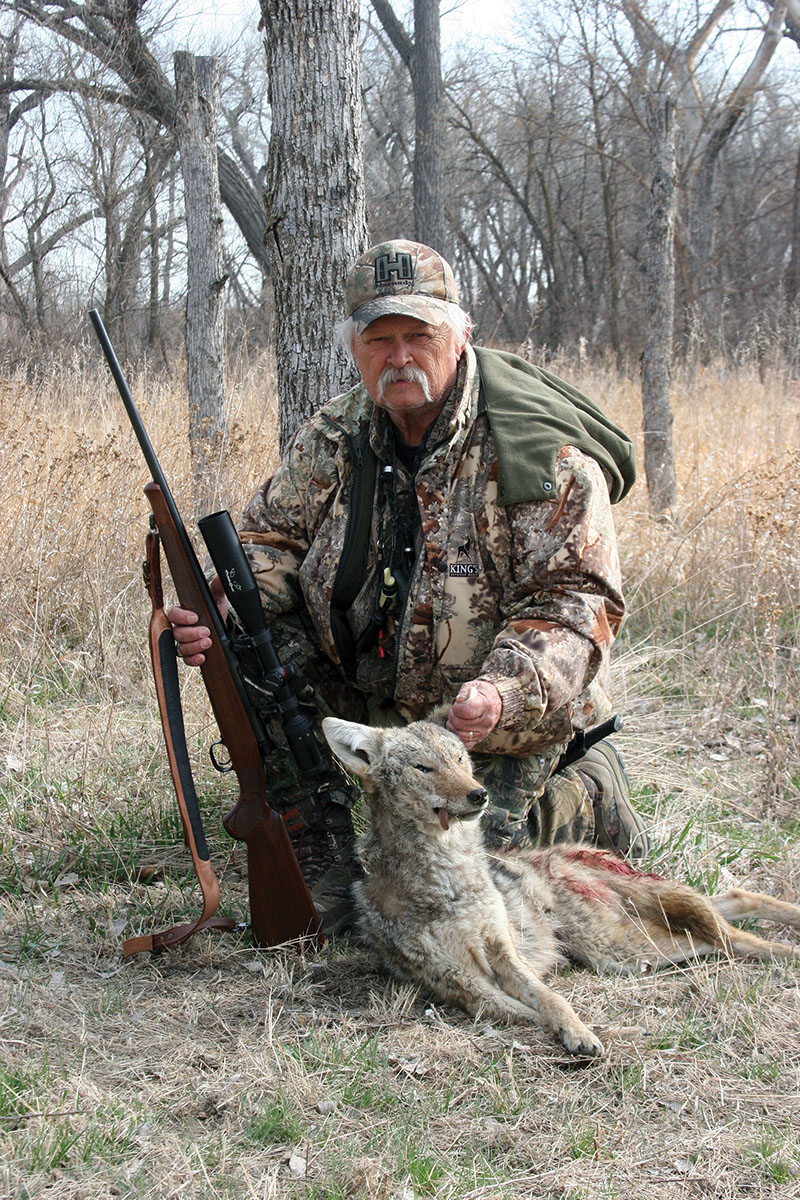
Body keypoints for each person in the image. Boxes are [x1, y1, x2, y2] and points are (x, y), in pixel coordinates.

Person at [170, 239, 649, 935]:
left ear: (458, 336)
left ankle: (588, 792)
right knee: (247, 620)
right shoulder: (336, 435)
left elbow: (575, 603)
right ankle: (313, 826)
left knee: (465, 902)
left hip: (496, 727)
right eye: (379, 339)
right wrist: (224, 599)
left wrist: (501, 692)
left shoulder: (541, 453)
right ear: (355, 349)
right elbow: (269, 540)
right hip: (380, 706)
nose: (398, 357)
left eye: (418, 336)